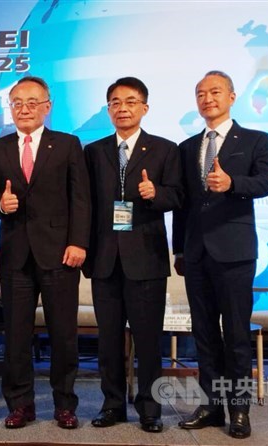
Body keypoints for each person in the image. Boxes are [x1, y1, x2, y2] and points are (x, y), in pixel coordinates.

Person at [172, 70, 268, 439]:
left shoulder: (254, 140)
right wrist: (179, 250)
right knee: (204, 335)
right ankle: (212, 405)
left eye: (215, 92)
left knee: (235, 335)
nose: (207, 99)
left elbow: (266, 183)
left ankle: (240, 410)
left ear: (232, 97)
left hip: (234, 253)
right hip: (196, 254)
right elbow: (182, 204)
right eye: (200, 93)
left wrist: (233, 184)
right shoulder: (187, 147)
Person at [0, 76, 90, 430]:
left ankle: (64, 404)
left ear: (47, 106)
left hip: (60, 254)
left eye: (32, 102)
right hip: (16, 255)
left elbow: (81, 198)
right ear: (9, 108)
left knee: (63, 334)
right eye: (17, 102)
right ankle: (20, 405)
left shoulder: (67, 144)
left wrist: (78, 242)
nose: (24, 108)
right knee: (15, 335)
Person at [83, 77, 183, 433]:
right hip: (105, 258)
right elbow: (85, 204)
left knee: (147, 340)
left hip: (146, 258)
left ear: (144, 108)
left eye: (130, 101)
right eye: (115, 102)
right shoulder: (93, 152)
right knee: (108, 340)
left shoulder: (165, 149)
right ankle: (112, 404)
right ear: (108, 108)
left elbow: (177, 197)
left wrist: (155, 193)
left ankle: (150, 408)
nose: (122, 108)